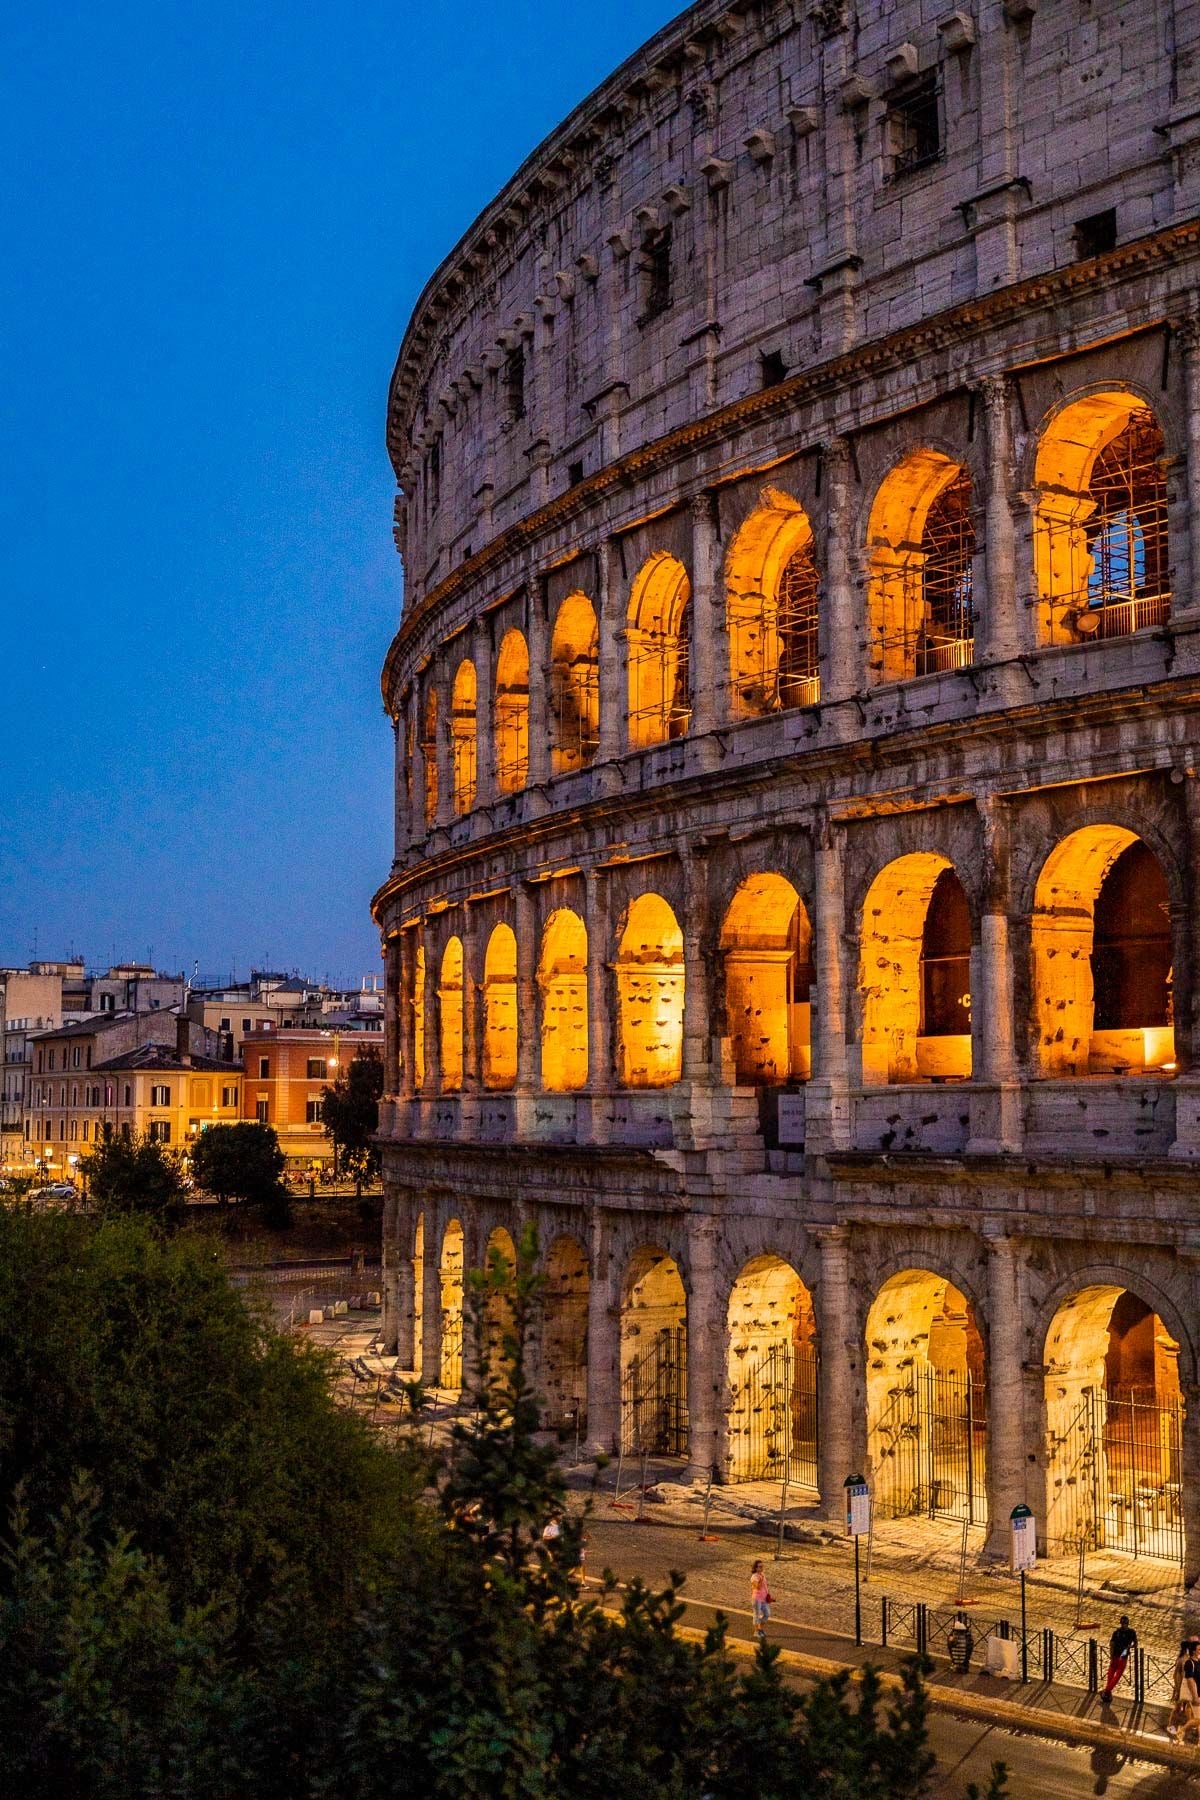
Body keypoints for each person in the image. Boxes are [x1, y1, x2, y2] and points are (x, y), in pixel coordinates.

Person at [1101, 1614, 1137, 1702]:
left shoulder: (1116, 1632)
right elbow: (1135, 1644)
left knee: (1111, 1675)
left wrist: (1111, 1655)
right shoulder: (1131, 1632)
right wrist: (1130, 1647)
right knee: (1116, 1676)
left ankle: (1107, 1695)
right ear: (1128, 1623)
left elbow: (1112, 1644)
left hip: (1115, 1655)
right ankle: (1106, 1692)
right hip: (1122, 1655)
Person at [750, 1559, 771, 1639]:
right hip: (757, 1599)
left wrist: (768, 1594)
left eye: (762, 1566)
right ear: (755, 1568)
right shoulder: (754, 1577)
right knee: (757, 1615)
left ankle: (760, 1628)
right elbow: (757, 1587)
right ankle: (756, 1631)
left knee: (767, 1614)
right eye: (760, 1567)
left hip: (764, 1599)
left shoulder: (762, 1574)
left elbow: (765, 1586)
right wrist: (761, 1579)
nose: (762, 1568)